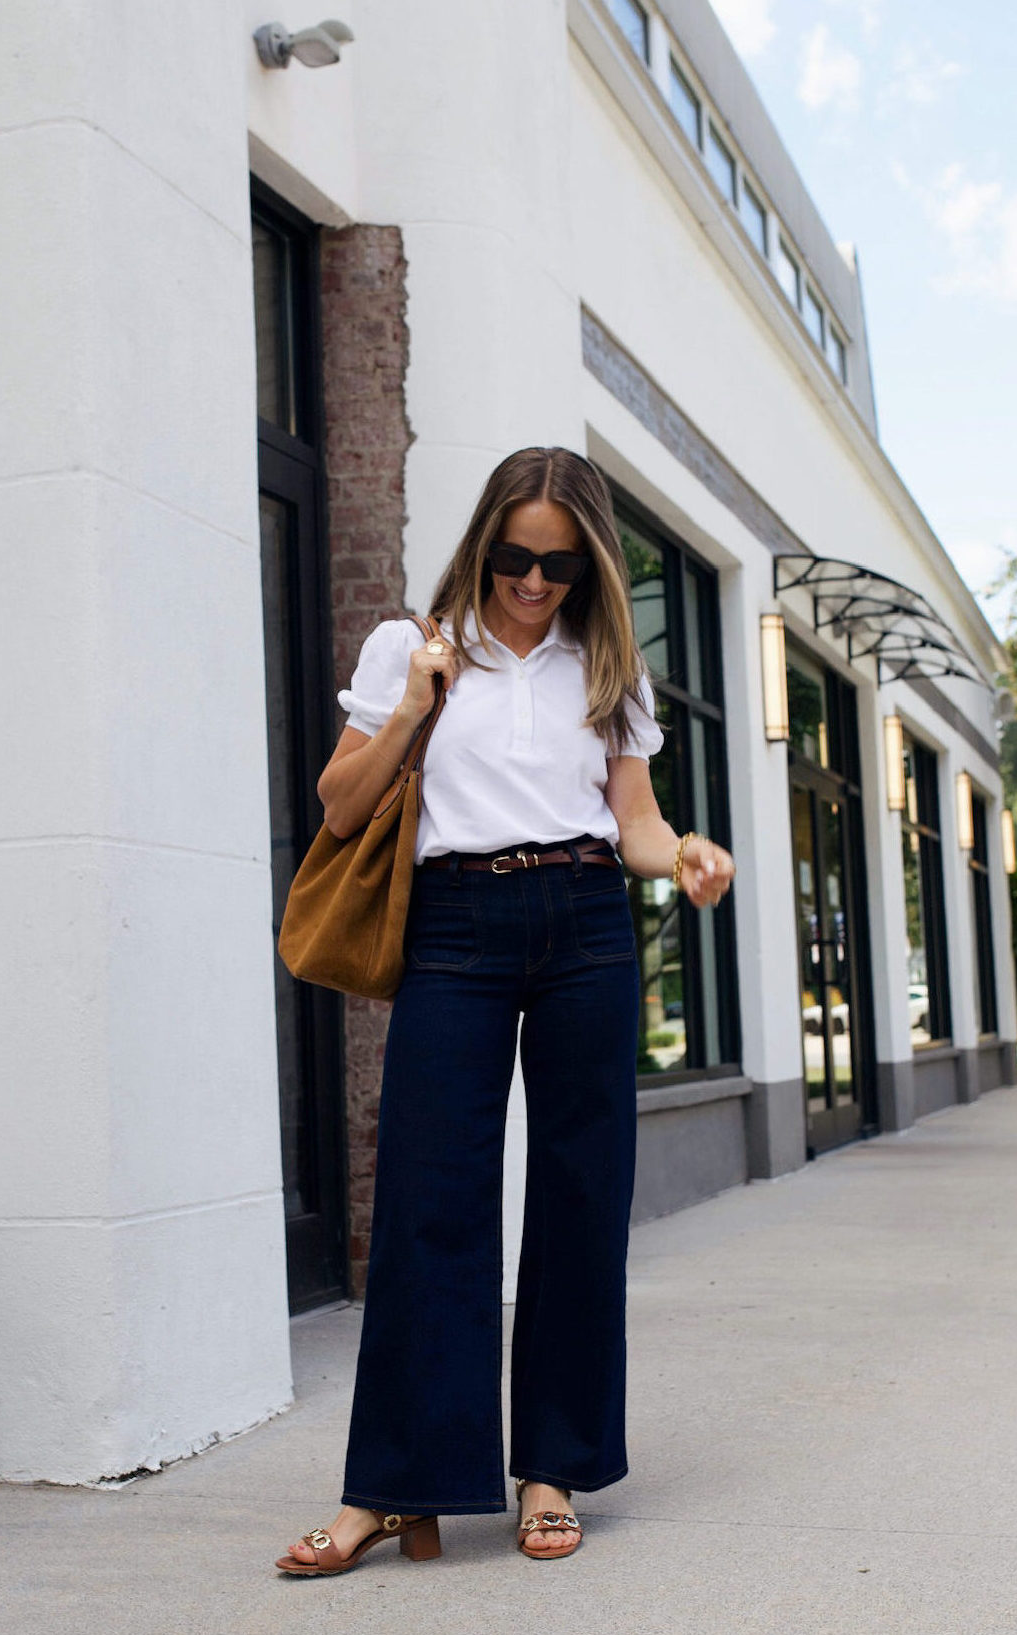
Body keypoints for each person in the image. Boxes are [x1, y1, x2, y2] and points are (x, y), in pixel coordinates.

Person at [275, 446, 734, 1576]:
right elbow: (337, 809)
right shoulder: (413, 644)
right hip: (454, 923)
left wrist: (677, 850)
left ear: (588, 566)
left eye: (561, 565)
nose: (535, 582)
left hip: (581, 921)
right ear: (486, 541)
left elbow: (629, 818)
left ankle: (550, 1467)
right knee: (430, 1194)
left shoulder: (602, 665)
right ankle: (390, 1485)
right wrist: (413, 707)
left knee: (581, 1193)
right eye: (517, 558)